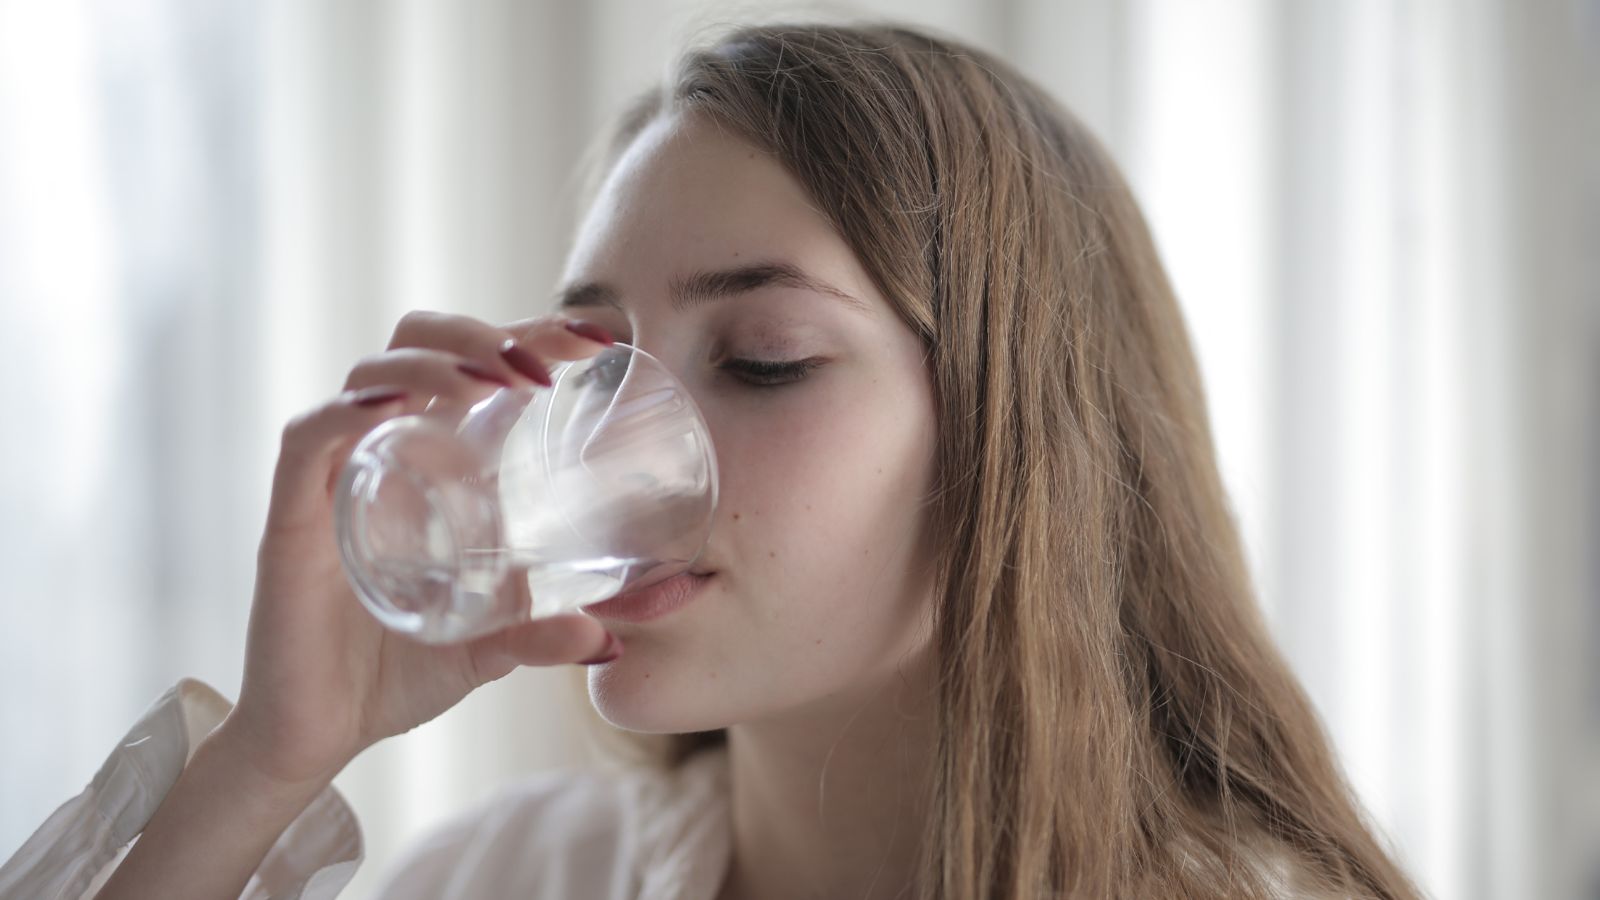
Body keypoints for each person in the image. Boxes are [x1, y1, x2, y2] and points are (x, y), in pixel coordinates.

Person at [0, 19, 1428, 900]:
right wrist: (266, 759)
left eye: (762, 362)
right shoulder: (515, 879)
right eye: (588, 358)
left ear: (1016, 440)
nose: (613, 440)